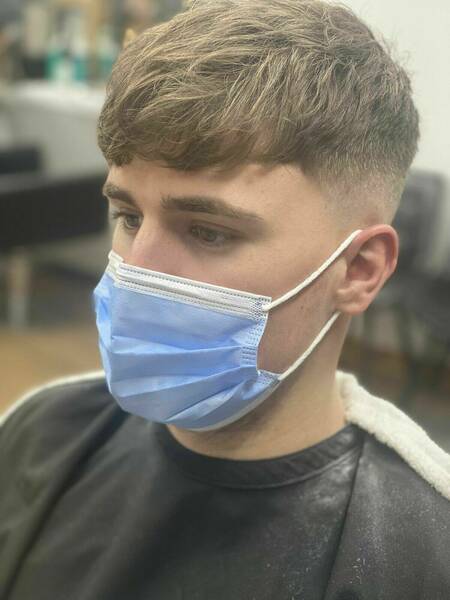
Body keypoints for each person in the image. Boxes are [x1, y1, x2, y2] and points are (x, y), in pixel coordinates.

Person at [1, 1, 449, 598]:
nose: (135, 271)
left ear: (360, 270)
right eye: (129, 216)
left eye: (209, 232)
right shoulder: (42, 433)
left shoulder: (423, 555)